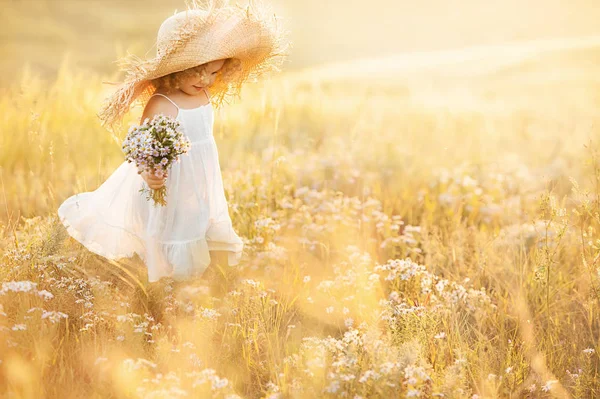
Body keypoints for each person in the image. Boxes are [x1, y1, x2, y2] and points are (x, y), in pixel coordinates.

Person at [57, 0, 291, 284]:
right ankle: (169, 285)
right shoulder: (162, 104)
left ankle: (208, 280)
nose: (206, 79)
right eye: (197, 70)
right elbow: (143, 149)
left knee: (199, 221)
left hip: (199, 179)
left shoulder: (202, 96)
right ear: (176, 67)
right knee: (172, 230)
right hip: (169, 184)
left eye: (214, 72)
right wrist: (150, 174)